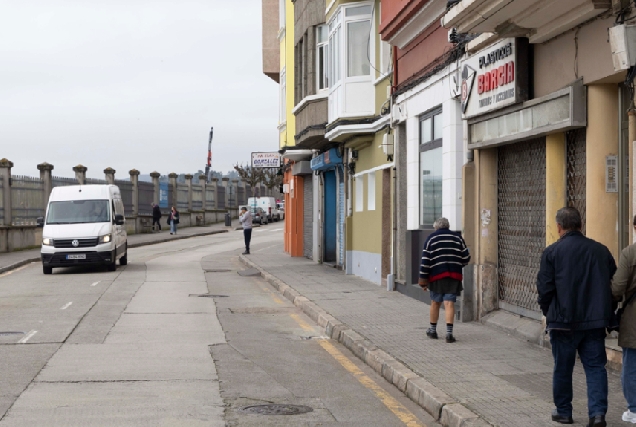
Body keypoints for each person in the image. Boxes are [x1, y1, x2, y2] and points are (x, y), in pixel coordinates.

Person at [537, 207, 616, 427]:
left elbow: (544, 289)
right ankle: (598, 414)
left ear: (559, 227)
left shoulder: (552, 253)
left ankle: (564, 412)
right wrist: (606, 312)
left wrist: (549, 312)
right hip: (594, 323)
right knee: (596, 368)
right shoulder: (601, 250)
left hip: (562, 322)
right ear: (581, 225)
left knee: (562, 367)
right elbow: (614, 284)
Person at [418, 217, 470, 343]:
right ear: (448, 226)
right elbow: (466, 257)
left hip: (436, 276)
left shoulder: (431, 238)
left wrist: (423, 280)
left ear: (436, 227)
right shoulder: (458, 238)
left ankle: (432, 330)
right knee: (449, 303)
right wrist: (457, 264)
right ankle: (449, 334)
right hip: (453, 276)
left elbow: (425, 261)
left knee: (435, 303)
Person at [611, 215, 636, 424]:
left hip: (634, 319)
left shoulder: (630, 253)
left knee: (632, 364)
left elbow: (617, 288)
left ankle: (635, 409)